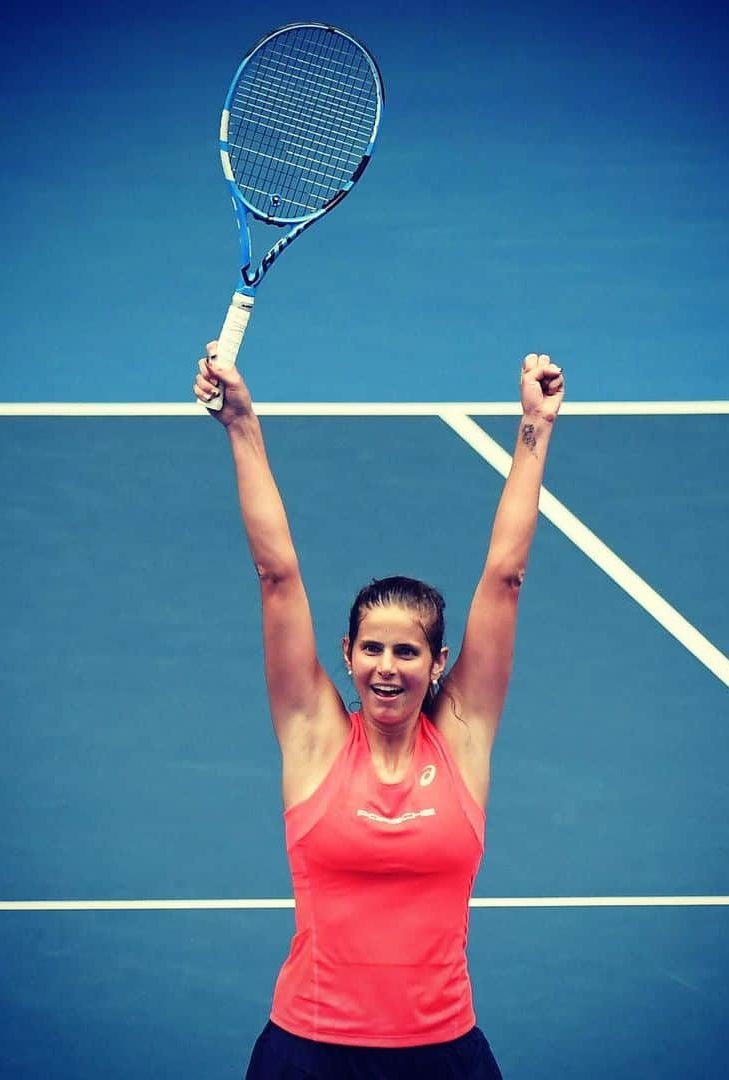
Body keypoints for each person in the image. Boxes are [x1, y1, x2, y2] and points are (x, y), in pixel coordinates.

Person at [194, 343, 564, 1079]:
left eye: (406, 653)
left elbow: (506, 576)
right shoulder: (314, 736)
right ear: (347, 652)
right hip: (308, 1051)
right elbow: (277, 574)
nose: (387, 668)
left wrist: (534, 429)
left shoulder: (462, 738)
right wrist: (241, 423)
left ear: (439, 663)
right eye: (372, 650)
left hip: (441, 1053)